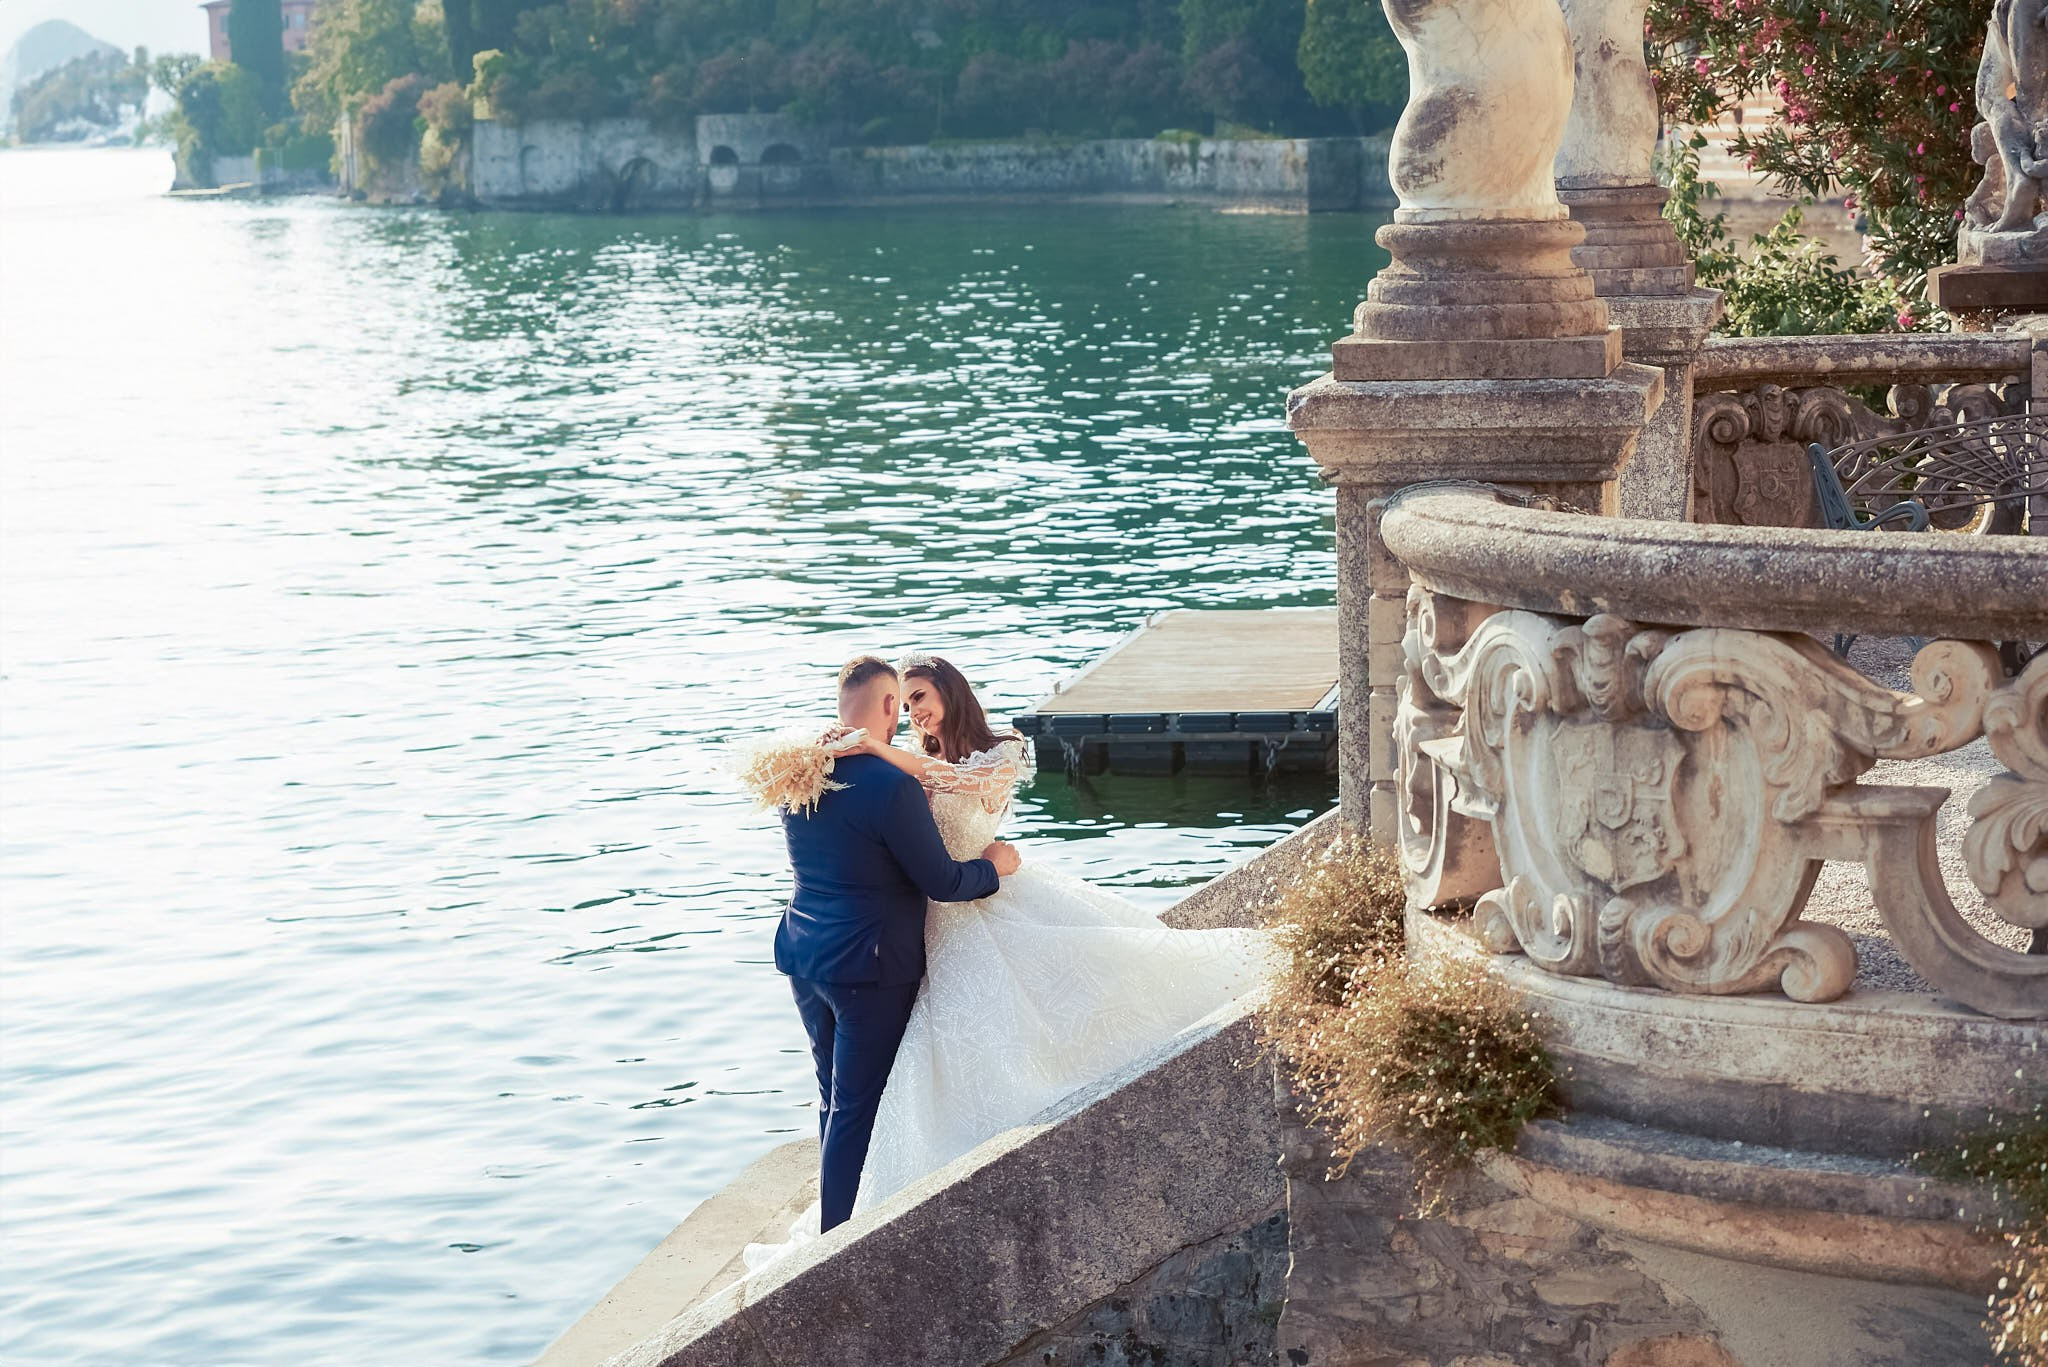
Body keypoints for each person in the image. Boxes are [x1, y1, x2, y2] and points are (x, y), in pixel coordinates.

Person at [832, 653, 1267, 1216]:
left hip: (993, 887)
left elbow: (962, 781)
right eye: (907, 701)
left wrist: (875, 747)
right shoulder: (911, 759)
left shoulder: (1004, 747)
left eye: (921, 696)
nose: (915, 711)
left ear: (947, 689)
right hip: (941, 907)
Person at [772, 654, 1021, 1234]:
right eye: (902, 703)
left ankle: (842, 1214)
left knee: (833, 1097)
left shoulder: (797, 772)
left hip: (805, 955)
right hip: (870, 965)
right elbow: (942, 881)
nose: (907, 713)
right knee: (859, 1105)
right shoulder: (892, 784)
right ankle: (837, 1244)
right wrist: (993, 865)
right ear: (889, 705)